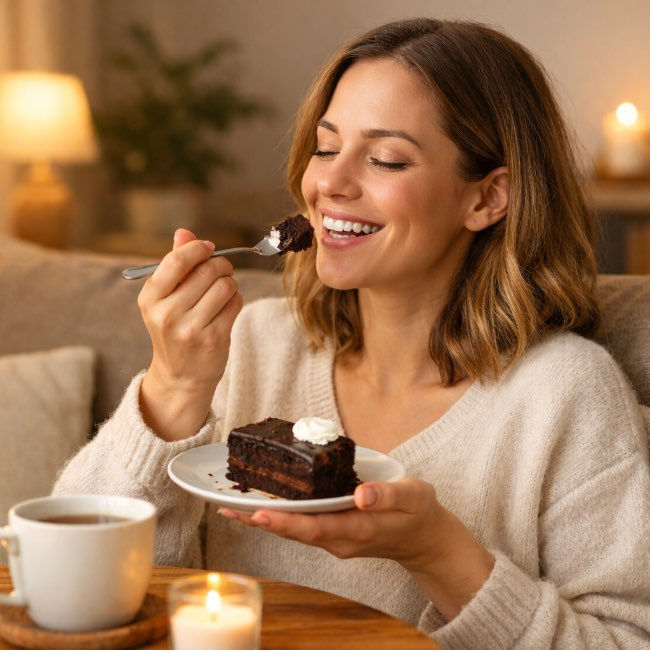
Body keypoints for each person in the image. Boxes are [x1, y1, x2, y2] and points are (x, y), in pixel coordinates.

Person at [54, 18, 650, 647]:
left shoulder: (564, 395)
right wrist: (173, 389)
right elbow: (74, 574)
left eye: (387, 158)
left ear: (487, 198)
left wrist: (440, 555)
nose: (330, 186)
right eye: (325, 147)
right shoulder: (256, 344)